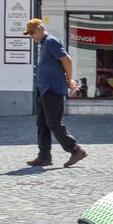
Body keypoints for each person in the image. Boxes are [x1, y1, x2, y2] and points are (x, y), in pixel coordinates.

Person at [24, 18, 87, 168]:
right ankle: (44, 156)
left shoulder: (51, 41)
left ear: (39, 28)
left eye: (32, 33)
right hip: (45, 89)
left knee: (53, 123)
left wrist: (70, 80)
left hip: (53, 89)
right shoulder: (45, 44)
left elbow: (67, 60)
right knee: (42, 123)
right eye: (29, 35)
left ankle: (76, 150)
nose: (32, 37)